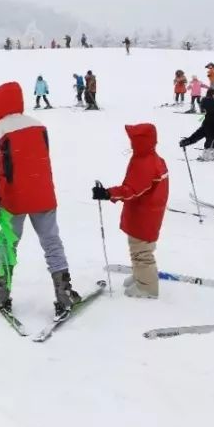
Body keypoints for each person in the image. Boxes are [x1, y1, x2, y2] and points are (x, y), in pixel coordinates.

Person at [0, 82, 79, 316]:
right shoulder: (39, 125)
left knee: (8, 244)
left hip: (13, 198)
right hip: (42, 193)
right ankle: (64, 291)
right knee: (51, 241)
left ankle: (2, 290)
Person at [92, 124, 169, 299]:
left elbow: (132, 189)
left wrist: (107, 193)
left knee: (142, 251)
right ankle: (140, 276)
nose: (131, 144)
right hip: (144, 212)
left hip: (145, 214)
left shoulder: (146, 163)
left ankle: (147, 287)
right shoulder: (149, 158)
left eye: (134, 141)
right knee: (138, 246)